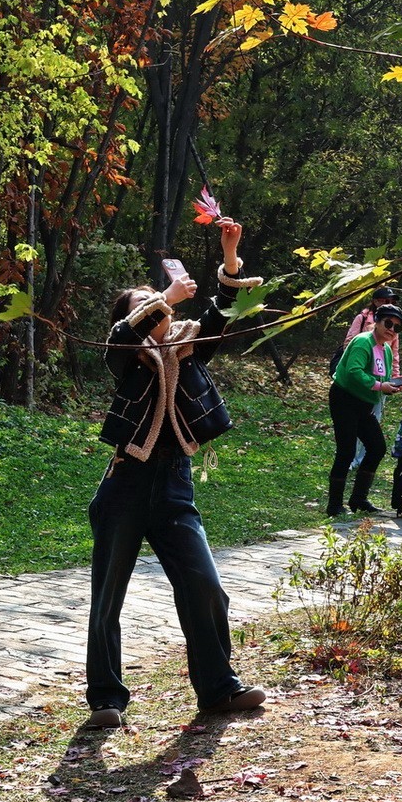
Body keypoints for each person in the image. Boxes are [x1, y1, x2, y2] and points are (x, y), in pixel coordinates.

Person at [84, 217, 265, 729]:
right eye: (144, 303)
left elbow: (221, 313)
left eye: (158, 301)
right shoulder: (126, 354)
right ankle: (106, 700)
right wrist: (164, 295)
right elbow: (125, 333)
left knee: (205, 586)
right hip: (125, 485)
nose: (157, 308)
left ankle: (218, 689)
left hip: (174, 485)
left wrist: (229, 256)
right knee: (108, 598)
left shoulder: (188, 348)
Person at [326, 304, 402, 516]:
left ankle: (358, 499)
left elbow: (381, 378)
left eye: (397, 327)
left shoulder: (386, 349)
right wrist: (381, 386)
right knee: (346, 450)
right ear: (377, 322)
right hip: (345, 398)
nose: (391, 330)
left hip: (364, 403)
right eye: (388, 323)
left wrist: (392, 386)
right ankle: (334, 505)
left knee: (377, 447)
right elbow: (354, 371)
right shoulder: (363, 341)